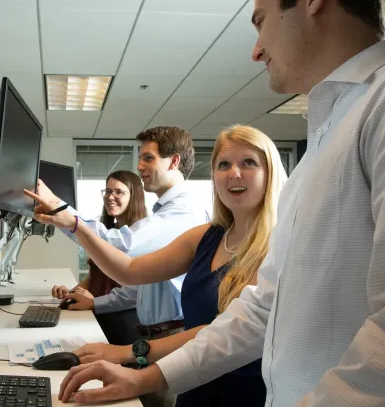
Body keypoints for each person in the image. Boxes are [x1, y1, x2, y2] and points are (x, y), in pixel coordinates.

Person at [34, 0, 385, 405]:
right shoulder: (325, 145)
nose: (256, 49)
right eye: (222, 165)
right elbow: (261, 311)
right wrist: (147, 377)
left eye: (261, 21)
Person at [26, 125, 287, 407]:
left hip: (240, 390)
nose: (234, 173)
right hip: (191, 380)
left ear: (270, 173)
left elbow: (222, 330)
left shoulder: (277, 246)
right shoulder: (207, 236)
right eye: (223, 164)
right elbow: (130, 270)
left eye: (249, 163)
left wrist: (130, 352)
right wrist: (72, 224)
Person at [51, 170, 147, 300]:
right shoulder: (107, 231)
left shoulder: (139, 237)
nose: (110, 197)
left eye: (118, 192)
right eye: (108, 191)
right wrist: (70, 293)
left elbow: (131, 295)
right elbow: (95, 278)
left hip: (119, 315)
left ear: (134, 197)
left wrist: (94, 302)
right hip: (97, 311)